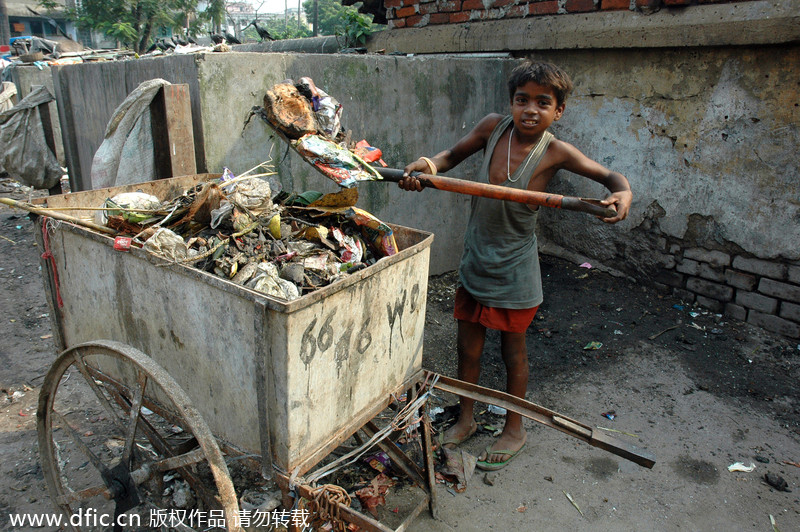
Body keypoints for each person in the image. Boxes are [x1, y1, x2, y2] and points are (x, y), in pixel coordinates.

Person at [398, 60, 632, 471]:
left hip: (515, 268)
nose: (530, 110)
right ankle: (466, 416)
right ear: (510, 103)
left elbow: (611, 177)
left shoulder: (556, 151)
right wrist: (428, 167)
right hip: (476, 259)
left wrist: (622, 194)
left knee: (513, 354)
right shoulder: (493, 127)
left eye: (543, 103)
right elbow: (451, 155)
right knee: (468, 347)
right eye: (522, 100)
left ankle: (514, 426)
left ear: (558, 111)